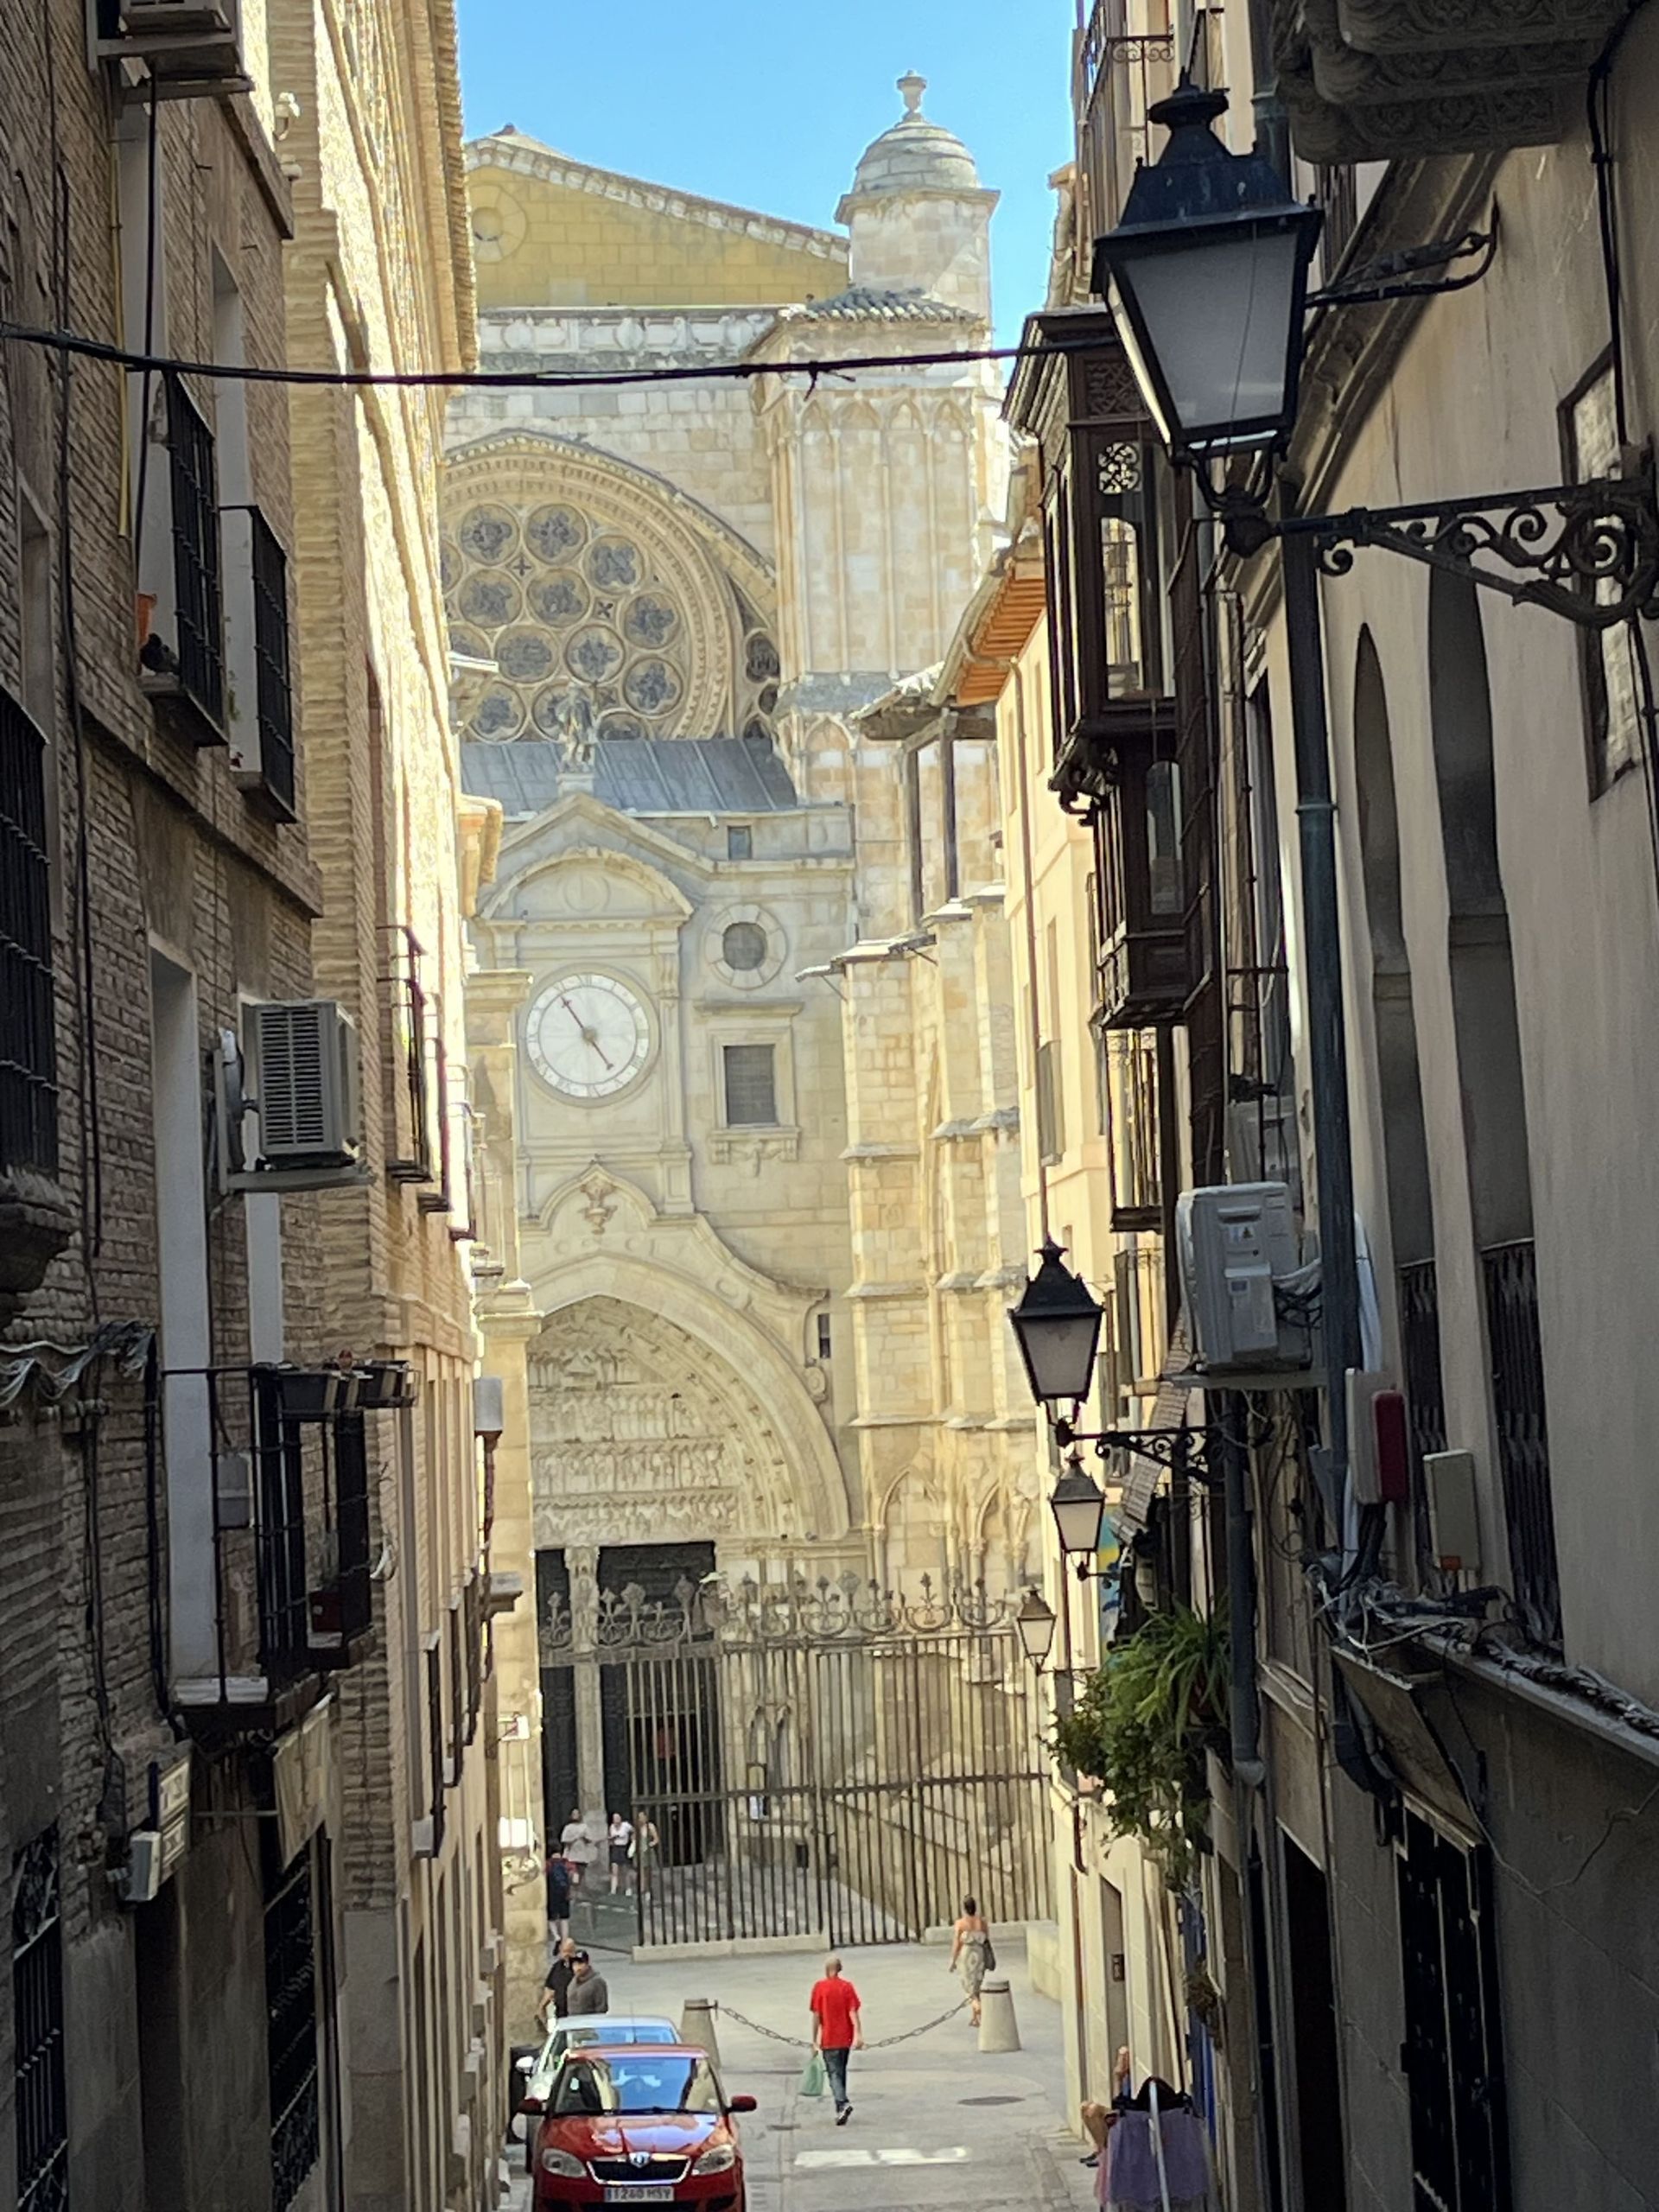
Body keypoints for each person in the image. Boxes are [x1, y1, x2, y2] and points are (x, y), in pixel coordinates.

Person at [808, 1954, 863, 2126]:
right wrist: (858, 2034)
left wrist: (814, 2040)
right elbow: (852, 2012)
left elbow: (816, 2015)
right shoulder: (847, 1987)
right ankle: (840, 2109)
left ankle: (842, 2103)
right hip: (845, 2038)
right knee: (841, 2072)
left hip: (829, 2039)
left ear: (826, 1970)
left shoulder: (820, 1987)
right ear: (840, 1969)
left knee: (834, 2074)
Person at [1080, 2047, 1134, 2170]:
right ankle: (1099, 2148)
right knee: (1085, 2107)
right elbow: (1116, 2100)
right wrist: (1117, 2077)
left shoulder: (1134, 2077)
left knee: (1094, 2110)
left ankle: (1104, 2153)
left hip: (1128, 2113)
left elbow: (1120, 2103)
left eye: (1124, 2059)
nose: (1121, 2062)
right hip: (1120, 2109)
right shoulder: (1122, 2077)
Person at [949, 1895, 993, 2028]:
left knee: (969, 1987)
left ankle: (979, 2009)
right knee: (977, 1986)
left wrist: (953, 1961)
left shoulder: (960, 1923)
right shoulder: (982, 1922)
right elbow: (986, 1939)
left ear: (964, 1908)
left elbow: (957, 1943)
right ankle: (975, 2018)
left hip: (967, 1955)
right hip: (979, 1954)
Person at [537, 1937, 578, 2030]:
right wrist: (542, 2007)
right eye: (564, 1951)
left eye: (569, 1951)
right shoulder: (557, 1967)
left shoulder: (578, 1967)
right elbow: (550, 1988)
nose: (567, 1954)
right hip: (561, 2014)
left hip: (576, 2014)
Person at [566, 1949, 611, 2016]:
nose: (578, 1968)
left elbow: (601, 2008)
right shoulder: (573, 1981)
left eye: (581, 1964)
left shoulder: (597, 1982)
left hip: (589, 2023)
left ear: (587, 1963)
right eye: (575, 1964)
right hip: (573, 2022)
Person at [561, 1808, 597, 1891]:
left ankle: (579, 1892)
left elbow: (590, 1840)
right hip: (571, 1855)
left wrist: (584, 1837)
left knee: (581, 1874)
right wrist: (575, 1837)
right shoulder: (568, 1828)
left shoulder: (584, 1827)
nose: (575, 1815)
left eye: (577, 1814)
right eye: (574, 1814)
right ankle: (572, 1891)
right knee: (573, 1874)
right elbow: (565, 1841)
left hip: (582, 1855)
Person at [545, 1851, 571, 1947]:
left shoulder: (548, 1864)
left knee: (551, 1918)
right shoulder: (566, 1863)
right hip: (564, 1894)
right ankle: (565, 1941)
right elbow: (574, 1878)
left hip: (552, 1893)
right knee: (564, 1918)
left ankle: (556, 1936)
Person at [607, 1810, 634, 1895]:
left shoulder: (626, 1826)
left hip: (623, 1848)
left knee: (625, 1870)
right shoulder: (612, 1827)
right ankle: (613, 1889)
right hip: (615, 1848)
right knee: (614, 1870)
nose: (616, 1820)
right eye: (615, 1818)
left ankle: (628, 1888)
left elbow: (633, 1831)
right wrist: (611, 1838)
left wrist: (633, 1839)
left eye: (618, 1818)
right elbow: (610, 1838)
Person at [632, 1813, 659, 1895]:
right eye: (639, 1817)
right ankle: (642, 1889)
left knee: (647, 1872)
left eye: (642, 1817)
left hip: (648, 1851)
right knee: (640, 1871)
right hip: (640, 1851)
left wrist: (651, 1844)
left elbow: (656, 1839)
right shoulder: (637, 1827)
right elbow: (633, 1839)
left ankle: (648, 1889)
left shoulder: (650, 1826)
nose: (641, 1819)